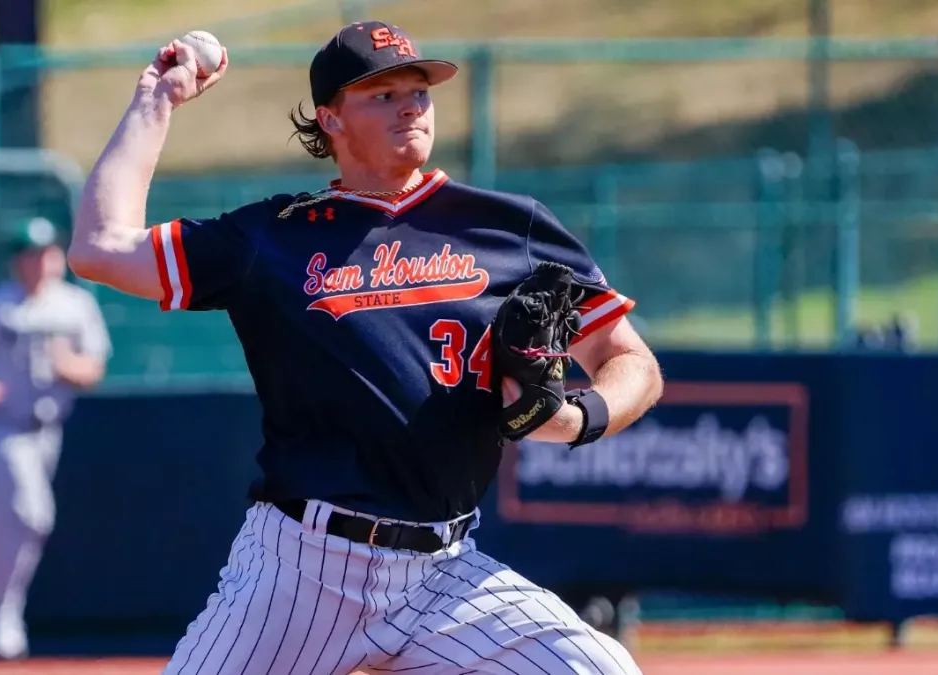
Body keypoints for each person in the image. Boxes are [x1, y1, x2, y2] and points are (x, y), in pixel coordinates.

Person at [68, 21, 663, 675]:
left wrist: (577, 418)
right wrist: (157, 99)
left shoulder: (507, 227)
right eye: (382, 93)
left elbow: (630, 359)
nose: (410, 103)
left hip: (445, 575)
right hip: (302, 570)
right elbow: (98, 246)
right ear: (331, 118)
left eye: (419, 89)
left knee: (601, 668)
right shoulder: (271, 239)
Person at [0, 216, 112, 669]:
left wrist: (67, 365)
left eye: (47, 253)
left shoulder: (75, 305)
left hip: (45, 431)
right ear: (17, 261)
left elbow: (93, 369)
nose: (40, 263)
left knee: (12, 523)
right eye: (30, 254)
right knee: (31, 512)